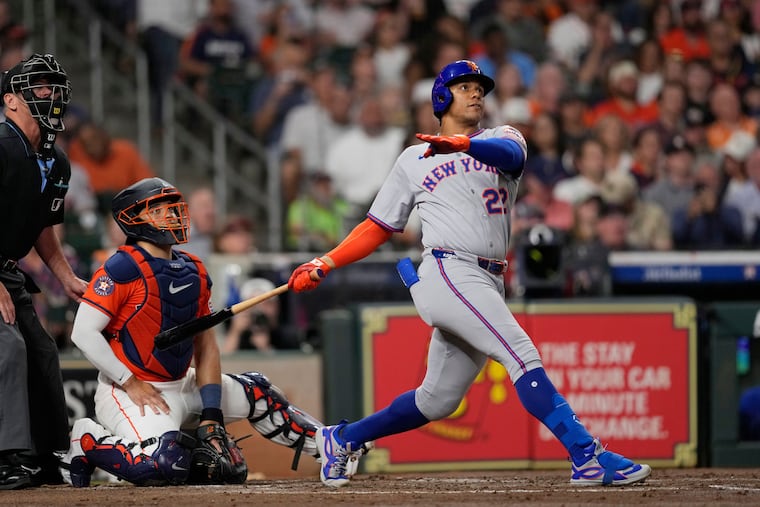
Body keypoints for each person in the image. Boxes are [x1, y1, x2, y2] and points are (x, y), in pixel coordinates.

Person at [286, 60, 651, 488]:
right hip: (448, 270)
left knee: (436, 400)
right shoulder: (413, 159)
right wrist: (323, 261)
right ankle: (586, 455)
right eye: (464, 86)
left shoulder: (502, 137)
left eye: (480, 87)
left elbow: (512, 156)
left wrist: (462, 144)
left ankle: (341, 439)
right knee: (521, 355)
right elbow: (377, 227)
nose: (476, 92)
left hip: (488, 277)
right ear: (441, 97)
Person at [57, 177, 334, 487]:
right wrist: (129, 382)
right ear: (133, 219)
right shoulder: (122, 267)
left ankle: (328, 448)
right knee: (163, 466)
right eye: (159, 209)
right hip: (130, 391)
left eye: (172, 207)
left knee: (258, 391)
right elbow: (83, 333)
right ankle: (86, 440)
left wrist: (212, 412)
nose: (172, 215)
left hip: (184, 383)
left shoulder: (195, 268)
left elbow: (206, 345)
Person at [0, 53, 89, 489]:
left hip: (7, 268)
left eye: (54, 87)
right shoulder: (0, 144)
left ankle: (47, 453)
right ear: (10, 101)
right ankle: (7, 458)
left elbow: (42, 226)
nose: (50, 96)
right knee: (7, 346)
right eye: (38, 87)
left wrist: (66, 275)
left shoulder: (55, 160)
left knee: (41, 352)